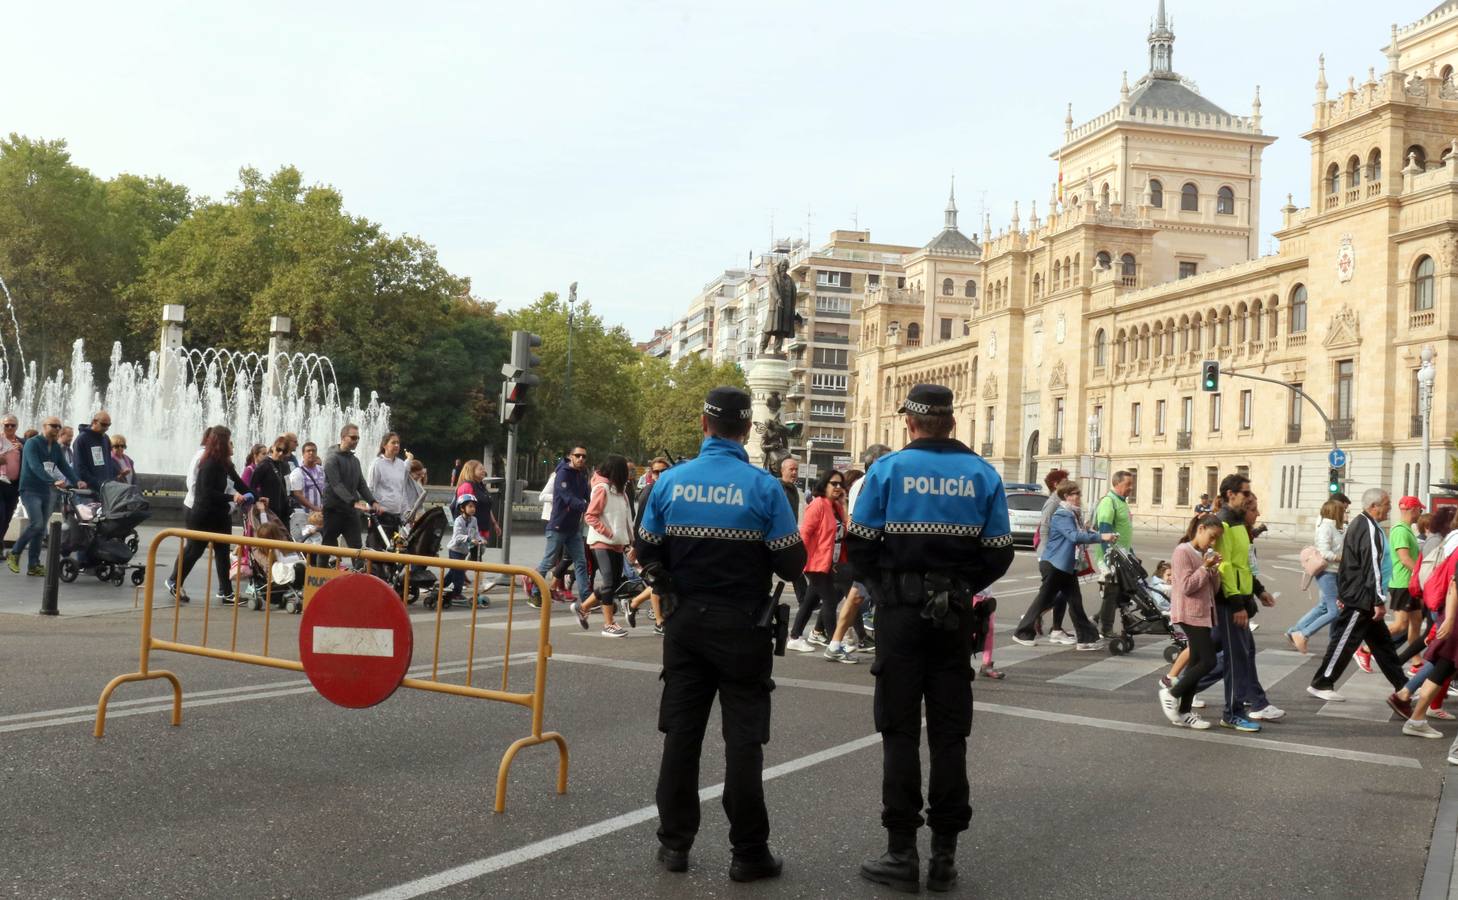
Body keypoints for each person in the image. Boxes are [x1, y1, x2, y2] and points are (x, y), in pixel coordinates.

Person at [847, 383, 1014, 894]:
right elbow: (1000, 550)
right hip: (952, 618)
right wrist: (961, 587)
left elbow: (858, 545)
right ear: (952, 423)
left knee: (898, 730)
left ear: (910, 423)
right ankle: (944, 856)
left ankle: (901, 853)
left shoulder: (888, 470)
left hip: (899, 616)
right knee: (949, 733)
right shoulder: (984, 475)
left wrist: (885, 589)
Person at [634, 386, 805, 883]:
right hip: (743, 629)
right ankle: (748, 853)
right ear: (747, 429)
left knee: (681, 737)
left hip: (685, 625)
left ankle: (674, 845)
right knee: (743, 743)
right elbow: (792, 562)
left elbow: (646, 550)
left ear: (704, 425)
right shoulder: (765, 487)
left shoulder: (671, 483)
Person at [1308, 489, 1410, 705]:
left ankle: (1403, 685)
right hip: (1361, 598)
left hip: (1362, 595)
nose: (1389, 508)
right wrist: (1378, 600)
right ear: (1374, 506)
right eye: (1386, 504)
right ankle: (1321, 683)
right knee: (1345, 642)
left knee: (1383, 646)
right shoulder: (1367, 527)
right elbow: (1372, 566)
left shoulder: (1366, 525)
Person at [1200, 477, 1279, 731]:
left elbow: (1242, 565)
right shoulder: (1222, 522)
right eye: (1245, 493)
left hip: (1239, 598)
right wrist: (1237, 605)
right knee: (1235, 659)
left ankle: (1180, 687)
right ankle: (1232, 712)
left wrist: (1258, 590)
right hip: (1227, 601)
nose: (1249, 496)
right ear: (1230, 494)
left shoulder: (1237, 523)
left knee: (1238, 655)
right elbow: (1223, 567)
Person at [1011, 481, 1114, 650]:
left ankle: (1085, 639)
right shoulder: (1062, 514)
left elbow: (1080, 533)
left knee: (1074, 601)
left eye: (1079, 493)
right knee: (1045, 599)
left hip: (1065, 565)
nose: (1079, 497)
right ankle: (1022, 632)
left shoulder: (1072, 514)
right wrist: (1102, 538)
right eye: (1076, 493)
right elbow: (1073, 536)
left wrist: (1098, 534)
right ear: (1067, 496)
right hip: (1054, 564)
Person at [823, 445, 893, 662]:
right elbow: (856, 522)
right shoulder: (868, 485)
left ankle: (836, 643)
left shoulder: (861, 485)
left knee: (855, 596)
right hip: (873, 552)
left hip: (866, 552)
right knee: (866, 597)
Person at [165, 427, 251, 604]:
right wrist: (232, 497)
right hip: (202, 513)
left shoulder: (225, 462)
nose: (231, 444)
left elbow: (238, 481)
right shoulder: (207, 462)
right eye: (228, 440)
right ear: (221, 443)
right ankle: (174, 580)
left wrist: (256, 496)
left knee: (222, 551)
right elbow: (205, 493)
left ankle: (226, 591)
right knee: (194, 550)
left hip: (220, 512)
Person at [1158, 515, 1224, 729]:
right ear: (1201, 529)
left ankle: (1185, 711)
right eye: (1211, 537)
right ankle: (1171, 692)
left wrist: (1214, 571)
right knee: (1209, 661)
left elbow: (1212, 589)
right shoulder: (1182, 552)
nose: (1212, 543)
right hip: (1189, 613)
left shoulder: (1204, 554)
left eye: (1216, 540)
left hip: (1204, 613)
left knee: (1196, 662)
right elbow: (1186, 586)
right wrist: (1205, 568)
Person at [9, 417, 83, 577]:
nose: (56, 429)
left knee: (41, 529)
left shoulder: (55, 447)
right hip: (30, 489)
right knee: (36, 523)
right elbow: (34, 466)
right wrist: (53, 480)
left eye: (59, 426)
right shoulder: (32, 443)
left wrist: (77, 481)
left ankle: (33, 565)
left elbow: (63, 466)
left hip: (46, 490)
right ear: (44, 426)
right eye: (53, 426)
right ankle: (14, 553)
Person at [572, 454, 633, 637]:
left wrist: (629, 541)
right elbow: (590, 516)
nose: (629, 475)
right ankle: (609, 624)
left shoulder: (619, 491)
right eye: (626, 471)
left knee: (612, 583)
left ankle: (582, 608)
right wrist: (609, 533)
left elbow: (626, 519)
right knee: (608, 583)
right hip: (602, 542)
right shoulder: (602, 488)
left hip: (617, 543)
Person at [791, 470, 850, 659]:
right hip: (816, 562)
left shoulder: (836, 506)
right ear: (824, 485)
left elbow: (844, 531)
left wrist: (845, 503)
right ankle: (835, 645)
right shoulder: (818, 505)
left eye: (841, 484)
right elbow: (805, 534)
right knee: (830, 601)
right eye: (834, 483)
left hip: (830, 562)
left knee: (810, 601)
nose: (838, 487)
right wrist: (800, 560)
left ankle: (795, 636)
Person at [533, 445, 591, 611]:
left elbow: (586, 495)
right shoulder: (563, 473)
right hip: (558, 526)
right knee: (548, 561)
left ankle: (586, 598)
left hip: (574, 527)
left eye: (584, 456)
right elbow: (567, 498)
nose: (581, 459)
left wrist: (592, 505)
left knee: (581, 562)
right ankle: (536, 592)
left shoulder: (582, 473)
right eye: (578, 455)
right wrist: (586, 507)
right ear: (570, 456)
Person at [1286, 498, 1346, 654]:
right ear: (1335, 512)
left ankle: (1294, 631)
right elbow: (1324, 552)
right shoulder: (1326, 528)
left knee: (1324, 607)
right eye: (1342, 511)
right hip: (1327, 572)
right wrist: (1343, 558)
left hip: (1334, 572)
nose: (1345, 513)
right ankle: (1303, 634)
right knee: (1334, 611)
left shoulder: (1334, 527)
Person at [321, 423, 379, 563]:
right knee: (326, 548)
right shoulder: (331, 459)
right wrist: (354, 502)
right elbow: (336, 485)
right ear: (343, 437)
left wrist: (372, 501)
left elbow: (361, 484)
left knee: (357, 549)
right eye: (353, 437)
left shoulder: (355, 460)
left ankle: (358, 580)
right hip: (333, 511)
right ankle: (317, 580)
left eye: (358, 438)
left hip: (350, 513)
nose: (356, 441)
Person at [1092, 470, 1136, 640]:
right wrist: (1107, 559)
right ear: (1117, 484)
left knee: (1120, 591)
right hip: (1111, 557)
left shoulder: (1122, 502)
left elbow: (1124, 532)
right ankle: (1106, 628)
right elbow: (1104, 531)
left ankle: (1097, 619)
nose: (1131, 488)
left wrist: (1131, 553)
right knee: (1113, 591)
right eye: (1128, 484)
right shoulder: (1109, 502)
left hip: (1122, 555)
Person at [1032, 467, 1074, 641]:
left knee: (1059, 593)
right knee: (1054, 593)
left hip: (1058, 555)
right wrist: (1051, 553)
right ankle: (1032, 617)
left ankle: (1055, 627)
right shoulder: (1053, 502)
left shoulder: (1061, 501)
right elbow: (1045, 530)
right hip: (1051, 556)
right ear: (1056, 484)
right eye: (1065, 481)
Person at [367, 432, 413, 550]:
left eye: (398, 443)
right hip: (380, 516)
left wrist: (406, 511)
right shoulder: (377, 464)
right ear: (384, 445)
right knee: (378, 550)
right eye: (393, 442)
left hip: (396, 517)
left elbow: (401, 490)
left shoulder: (400, 465)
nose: (396, 445)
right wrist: (370, 513)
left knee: (397, 550)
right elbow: (370, 488)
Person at [444, 493, 487, 603]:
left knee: (454, 571)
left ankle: (440, 586)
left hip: (464, 551)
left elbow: (476, 533)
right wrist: (469, 539)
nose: (473, 509)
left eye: (474, 506)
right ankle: (456, 593)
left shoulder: (474, 520)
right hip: (455, 550)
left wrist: (481, 539)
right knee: (459, 572)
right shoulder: (458, 521)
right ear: (462, 508)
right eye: (470, 506)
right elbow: (457, 536)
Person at [248, 440, 293, 538]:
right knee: (271, 540)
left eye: (284, 451)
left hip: (284, 512)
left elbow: (288, 487)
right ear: (272, 448)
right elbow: (251, 486)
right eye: (278, 450)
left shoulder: (285, 465)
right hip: (270, 511)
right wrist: (259, 499)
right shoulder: (264, 465)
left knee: (285, 541)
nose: (281, 453)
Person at [288, 441, 327, 537]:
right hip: (305, 516)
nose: (311, 453)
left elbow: (325, 489)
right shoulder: (297, 472)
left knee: (321, 542)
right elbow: (297, 494)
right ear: (303, 454)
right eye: (308, 451)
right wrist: (314, 508)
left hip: (320, 516)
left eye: (314, 451)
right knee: (306, 542)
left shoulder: (321, 470)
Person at [72, 411, 117, 490]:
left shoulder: (106, 438)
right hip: (88, 490)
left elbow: (109, 463)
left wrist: (111, 481)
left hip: (105, 489)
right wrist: (96, 483)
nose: (106, 428)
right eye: (103, 425)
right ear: (94, 422)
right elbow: (79, 467)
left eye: (109, 425)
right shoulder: (81, 439)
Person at [0, 415, 22, 549]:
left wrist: (23, 448)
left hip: (14, 485)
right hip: (0, 483)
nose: (9, 427)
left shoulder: (21, 443)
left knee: (7, 517)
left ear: (17, 426)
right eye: (6, 425)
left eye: (12, 425)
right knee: (0, 515)